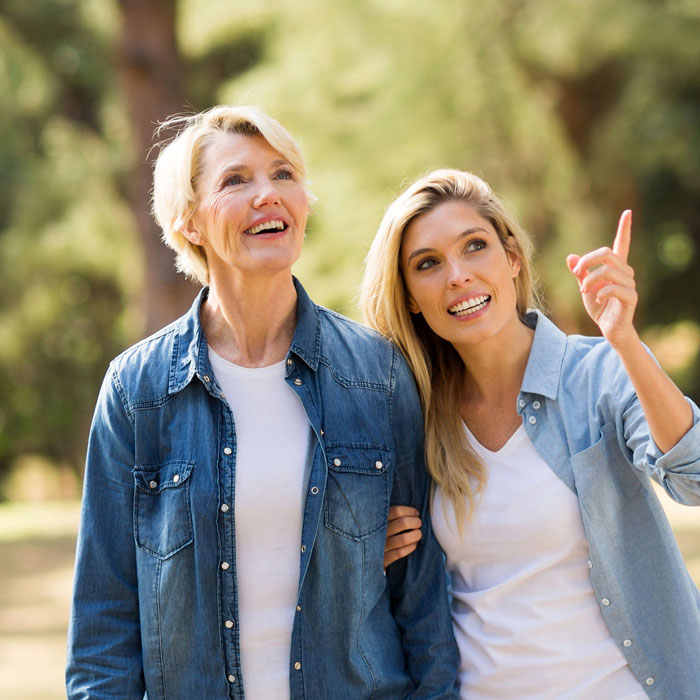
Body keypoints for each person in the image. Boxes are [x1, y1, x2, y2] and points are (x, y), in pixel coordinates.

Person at [65, 106, 459, 700]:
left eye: (282, 174)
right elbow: (103, 626)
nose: (267, 195)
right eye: (235, 181)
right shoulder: (137, 390)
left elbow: (424, 603)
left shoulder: (377, 375)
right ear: (189, 222)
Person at [360, 168, 700, 699]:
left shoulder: (599, 373)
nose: (457, 275)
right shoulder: (412, 420)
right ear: (408, 297)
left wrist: (626, 341)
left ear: (512, 259)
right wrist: (367, 549)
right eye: (428, 264)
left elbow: (694, 480)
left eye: (475, 246)